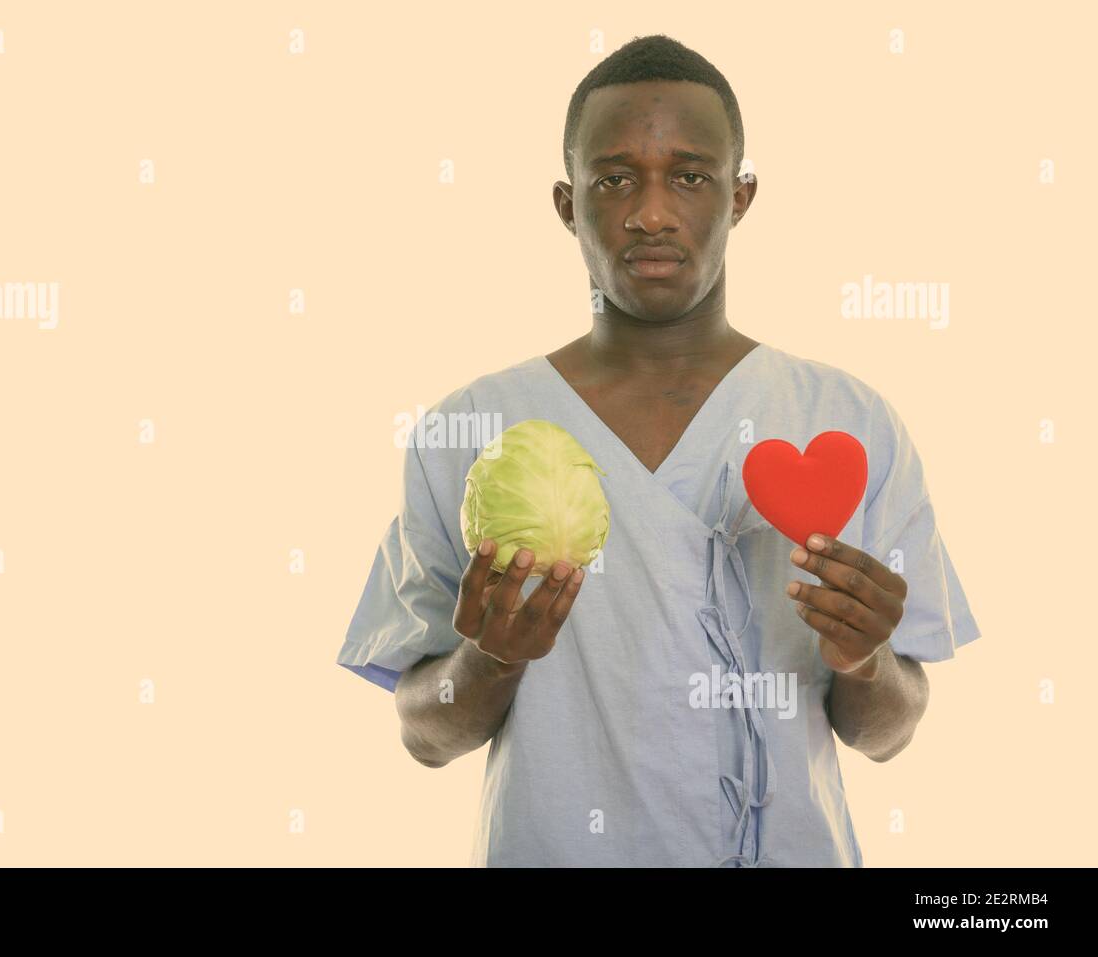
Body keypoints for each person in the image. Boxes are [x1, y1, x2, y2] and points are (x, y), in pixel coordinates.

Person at [335, 34, 981, 867]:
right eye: (613, 179)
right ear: (567, 205)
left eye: (689, 176)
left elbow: (889, 736)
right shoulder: (472, 429)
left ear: (740, 196)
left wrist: (863, 660)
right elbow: (425, 735)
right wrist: (489, 657)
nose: (651, 212)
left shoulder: (849, 421)